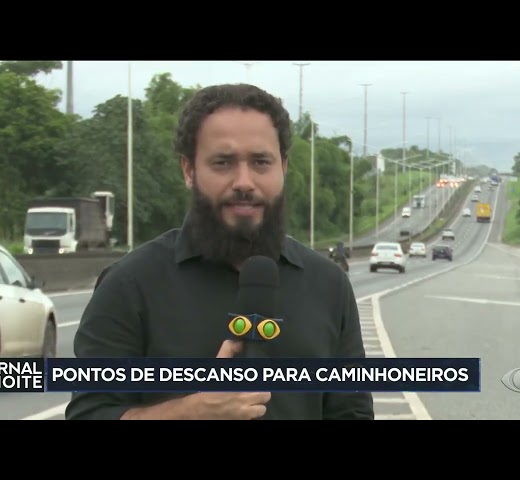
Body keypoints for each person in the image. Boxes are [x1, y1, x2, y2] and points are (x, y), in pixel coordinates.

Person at [65, 83, 374, 420]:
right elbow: (89, 413)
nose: (244, 181)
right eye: (223, 162)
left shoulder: (329, 286)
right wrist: (191, 412)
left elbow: (352, 413)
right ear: (189, 169)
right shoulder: (130, 284)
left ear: (283, 167)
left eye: (260, 162)